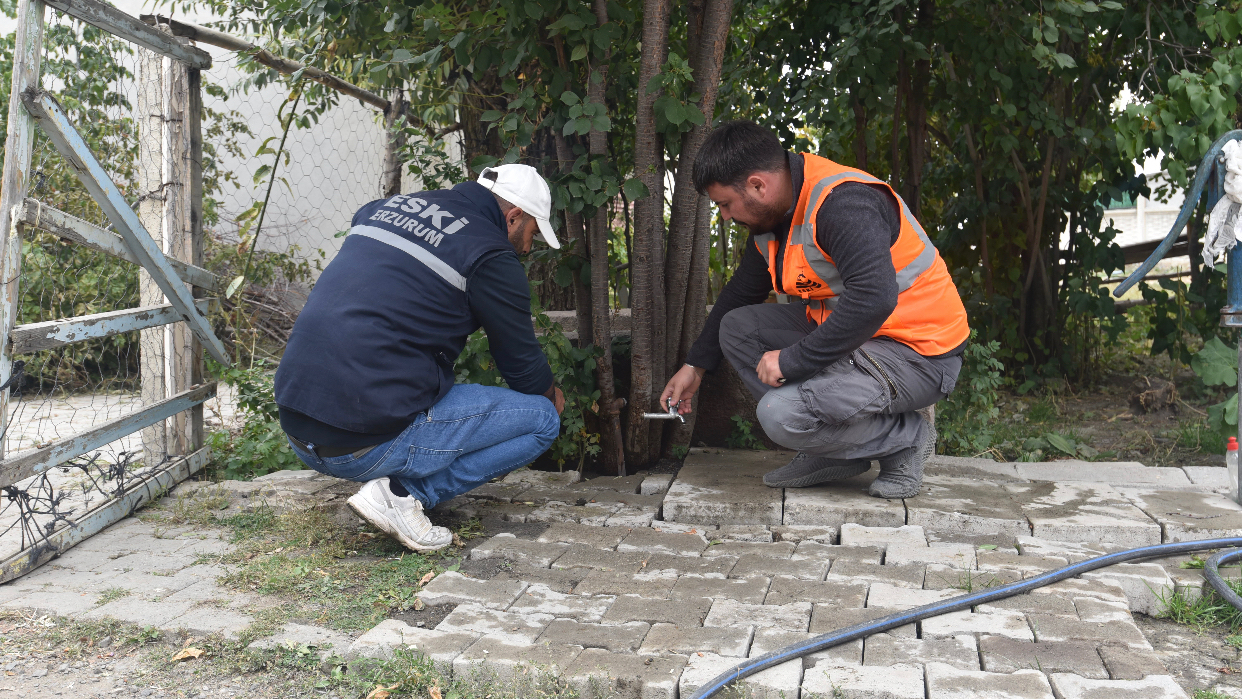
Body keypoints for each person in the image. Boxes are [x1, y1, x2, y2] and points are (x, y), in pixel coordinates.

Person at [661, 121, 969, 499]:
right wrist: (695, 366)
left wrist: (793, 361)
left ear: (758, 185)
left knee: (780, 414)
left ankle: (906, 439)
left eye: (725, 204)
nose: (725, 216)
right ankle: (831, 450)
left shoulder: (843, 205)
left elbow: (875, 298)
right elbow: (742, 292)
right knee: (738, 328)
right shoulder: (772, 219)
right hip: (860, 341)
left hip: (918, 353)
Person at [274, 164, 565, 551]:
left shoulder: (382, 210)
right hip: (362, 448)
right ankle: (403, 494)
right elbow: (522, 368)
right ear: (514, 217)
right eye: (531, 233)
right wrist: (551, 394)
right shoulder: (490, 254)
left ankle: (388, 483)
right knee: (542, 419)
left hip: (298, 428)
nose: (527, 248)